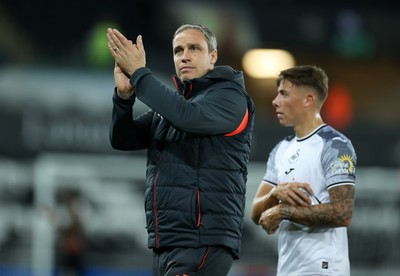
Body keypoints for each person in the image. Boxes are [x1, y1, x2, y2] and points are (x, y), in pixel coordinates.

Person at [106, 24, 255, 276]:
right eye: (177, 50)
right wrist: (124, 97)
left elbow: (188, 117)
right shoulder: (176, 106)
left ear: (213, 56)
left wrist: (140, 74)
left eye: (194, 48)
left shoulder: (230, 97)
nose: (184, 56)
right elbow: (123, 139)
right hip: (167, 242)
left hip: (202, 240)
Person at [251, 65, 356, 276]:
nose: (275, 101)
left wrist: (283, 211)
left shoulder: (335, 145)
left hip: (323, 269)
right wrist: (274, 195)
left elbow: (342, 212)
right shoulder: (281, 149)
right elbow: (256, 212)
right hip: (288, 269)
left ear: (308, 100)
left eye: (284, 94)